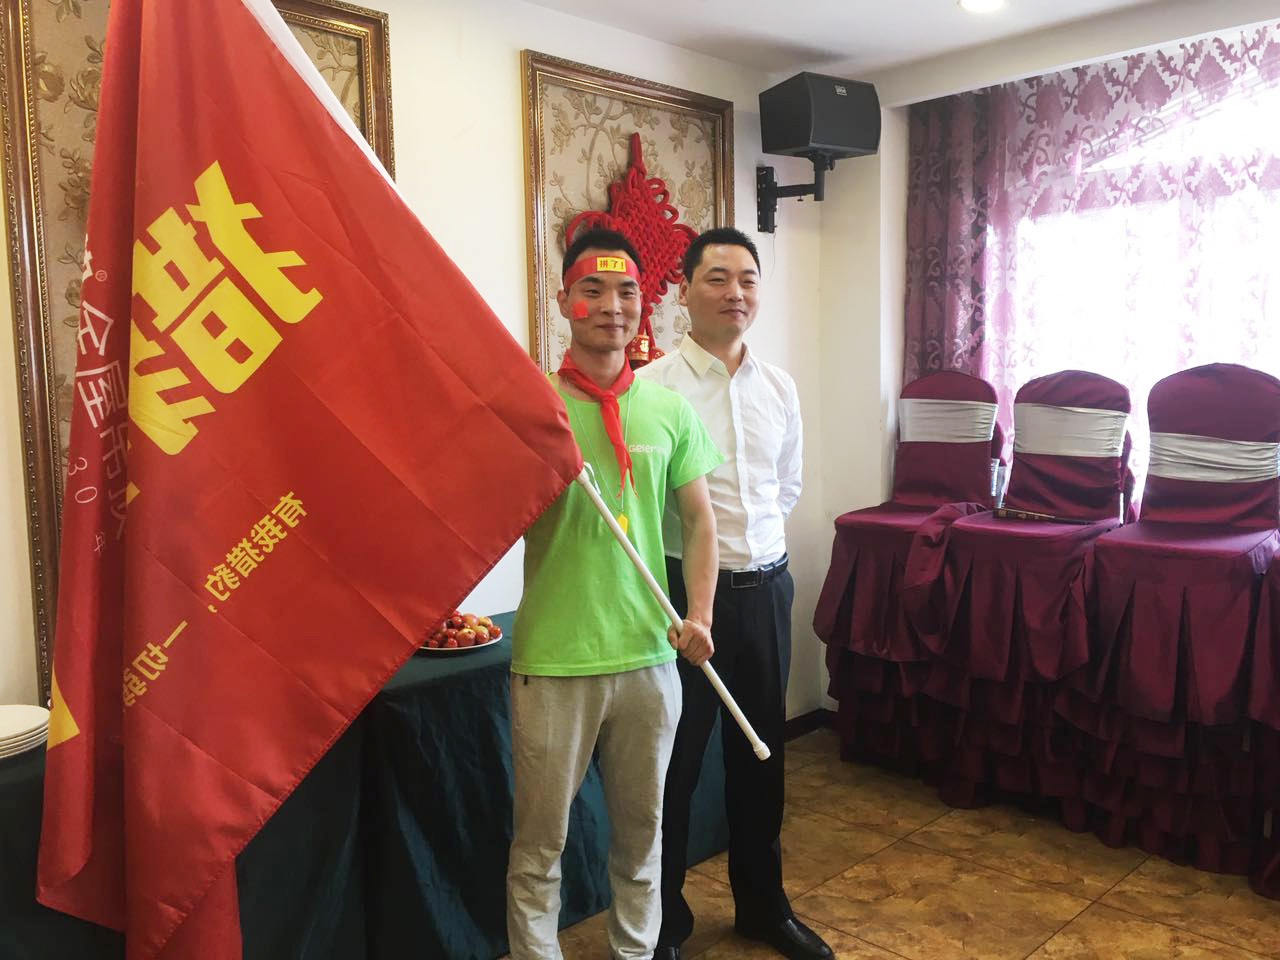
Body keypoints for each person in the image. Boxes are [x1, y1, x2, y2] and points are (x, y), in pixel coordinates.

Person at [506, 228, 722, 960]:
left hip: (649, 658)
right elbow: (484, 509)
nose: (611, 305)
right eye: (592, 291)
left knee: (641, 841)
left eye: (626, 291)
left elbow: (700, 522)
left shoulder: (668, 410)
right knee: (540, 846)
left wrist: (699, 614)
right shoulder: (533, 409)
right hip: (554, 659)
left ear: (644, 304)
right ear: (563, 301)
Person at [637, 227, 831, 960]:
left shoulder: (778, 386)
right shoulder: (652, 388)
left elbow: (786, 485)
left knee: (761, 758)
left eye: (747, 279)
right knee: (675, 765)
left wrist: (756, 557)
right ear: (684, 291)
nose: (735, 293)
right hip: (684, 602)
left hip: (765, 592)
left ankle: (762, 907)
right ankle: (664, 923)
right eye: (717, 278)